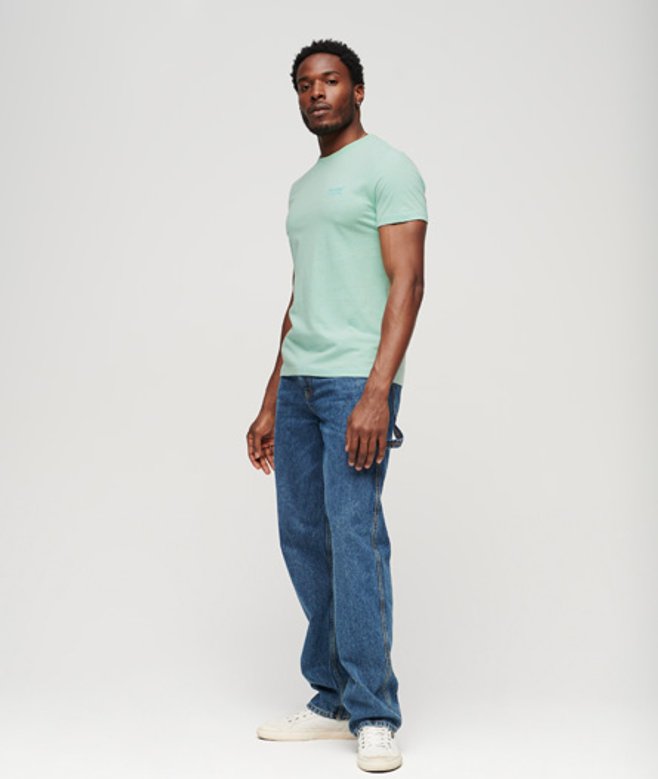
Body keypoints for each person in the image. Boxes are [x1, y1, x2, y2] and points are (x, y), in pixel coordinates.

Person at [246, 38, 428, 773]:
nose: (316, 92)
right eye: (304, 83)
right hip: (300, 382)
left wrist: (379, 390)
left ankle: (374, 711)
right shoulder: (302, 188)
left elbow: (408, 281)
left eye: (329, 80)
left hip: (357, 380)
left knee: (353, 535)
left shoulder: (389, 168)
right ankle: (332, 698)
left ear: (357, 89)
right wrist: (269, 399)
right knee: (302, 535)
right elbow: (302, 296)